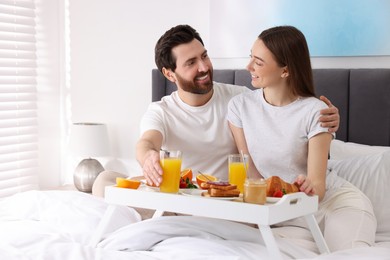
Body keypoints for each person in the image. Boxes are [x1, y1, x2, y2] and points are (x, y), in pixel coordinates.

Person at [92, 24, 340, 196]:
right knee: (103, 181)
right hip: (178, 194)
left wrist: (326, 120)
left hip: (222, 196)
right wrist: (149, 159)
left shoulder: (241, 100)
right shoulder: (162, 111)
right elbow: (146, 142)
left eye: (204, 56)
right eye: (191, 63)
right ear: (169, 73)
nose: (204, 67)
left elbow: (282, 117)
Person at [227, 25, 376, 251]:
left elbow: (317, 186)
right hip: (286, 213)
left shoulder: (316, 112)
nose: (248, 67)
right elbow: (251, 173)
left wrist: (303, 187)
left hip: (334, 204)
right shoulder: (240, 106)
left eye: (258, 62)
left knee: (351, 254)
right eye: (251, 58)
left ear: (285, 70)